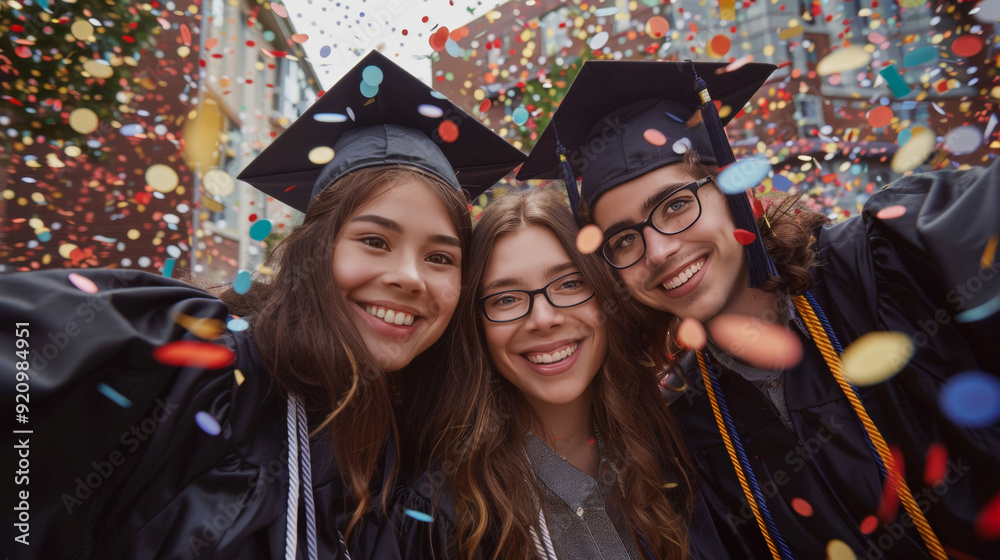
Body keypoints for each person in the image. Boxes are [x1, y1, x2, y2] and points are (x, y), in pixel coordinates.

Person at [0, 50, 525, 560]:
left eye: (439, 256)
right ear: (315, 251)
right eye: (374, 241)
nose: (410, 278)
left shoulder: (417, 457)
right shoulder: (191, 363)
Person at [516, 58, 1000, 559]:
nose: (658, 251)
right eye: (622, 239)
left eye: (676, 205)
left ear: (737, 192)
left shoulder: (892, 260)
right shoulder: (690, 417)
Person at [401, 185, 731, 560]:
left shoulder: (681, 443)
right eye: (505, 299)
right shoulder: (443, 512)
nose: (543, 319)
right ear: (476, 327)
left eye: (571, 284)